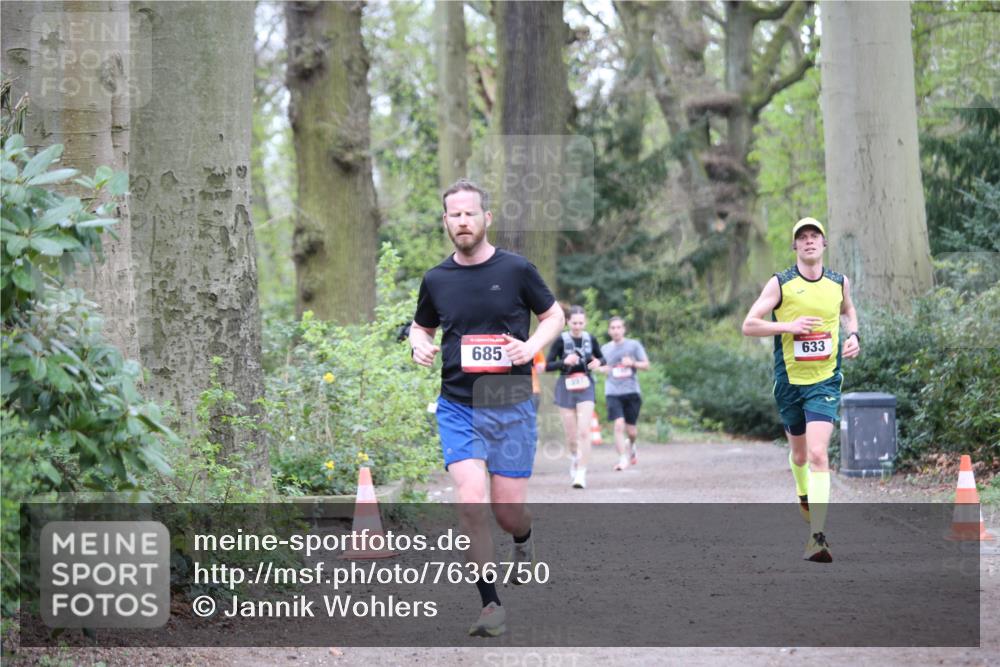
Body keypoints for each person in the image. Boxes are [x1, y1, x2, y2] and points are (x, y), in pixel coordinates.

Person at [409, 179, 564, 636]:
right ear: (445, 221)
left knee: (507, 511)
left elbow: (553, 315)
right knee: (471, 503)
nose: (462, 221)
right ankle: (490, 606)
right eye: (453, 215)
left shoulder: (517, 270)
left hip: (509, 402)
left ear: (486, 218)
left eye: (469, 213)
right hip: (458, 404)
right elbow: (422, 328)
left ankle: (523, 536)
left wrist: (531, 346)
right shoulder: (436, 279)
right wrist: (418, 346)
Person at [741, 217, 860, 563]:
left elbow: (849, 310)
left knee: (820, 455)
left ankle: (818, 538)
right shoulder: (781, 283)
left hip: (824, 381)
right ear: (795, 246)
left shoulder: (839, 282)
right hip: (790, 383)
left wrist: (854, 336)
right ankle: (802, 490)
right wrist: (788, 326)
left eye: (815, 236)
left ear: (824, 244)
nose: (809, 241)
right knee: (800, 456)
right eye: (802, 237)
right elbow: (749, 324)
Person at [542, 305, 605, 489]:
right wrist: (564, 362)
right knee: (571, 435)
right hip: (565, 386)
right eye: (574, 322)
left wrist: (597, 362)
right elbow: (547, 365)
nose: (577, 326)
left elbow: (603, 359)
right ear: (568, 322)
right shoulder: (561, 341)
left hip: (586, 386)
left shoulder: (590, 339)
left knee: (584, 431)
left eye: (580, 323)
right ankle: (574, 457)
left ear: (584, 322)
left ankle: (581, 473)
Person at [598, 316, 649, 471]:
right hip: (613, 392)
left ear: (624, 329)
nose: (616, 330)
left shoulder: (634, 345)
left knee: (631, 430)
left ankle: (632, 444)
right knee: (618, 424)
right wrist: (602, 369)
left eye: (618, 327)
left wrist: (632, 363)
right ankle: (622, 459)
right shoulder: (605, 349)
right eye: (613, 328)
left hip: (631, 391)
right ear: (609, 330)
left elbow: (646, 365)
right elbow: (597, 365)